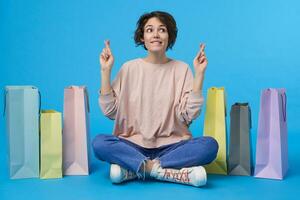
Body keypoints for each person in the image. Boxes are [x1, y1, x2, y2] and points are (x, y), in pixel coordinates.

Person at [92, 11, 218, 187]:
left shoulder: (181, 69)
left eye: (162, 30)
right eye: (150, 30)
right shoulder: (129, 68)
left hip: (172, 147)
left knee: (209, 146)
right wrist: (105, 71)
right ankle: (165, 172)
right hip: (132, 144)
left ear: (169, 36)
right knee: (99, 143)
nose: (156, 35)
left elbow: (189, 115)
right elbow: (110, 111)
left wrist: (199, 74)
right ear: (142, 37)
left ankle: (135, 169)